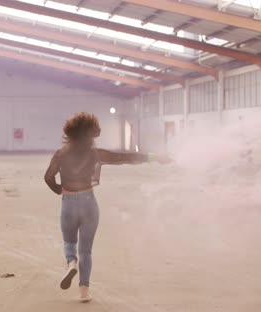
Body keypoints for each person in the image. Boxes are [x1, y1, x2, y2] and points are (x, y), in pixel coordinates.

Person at [44, 112, 169, 302]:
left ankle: (71, 263)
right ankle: (84, 292)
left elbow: (48, 177)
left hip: (69, 203)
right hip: (89, 203)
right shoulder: (95, 153)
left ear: (71, 132)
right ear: (90, 134)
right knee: (86, 250)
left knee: (70, 243)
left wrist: (60, 190)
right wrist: (154, 157)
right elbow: (125, 157)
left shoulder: (61, 154)